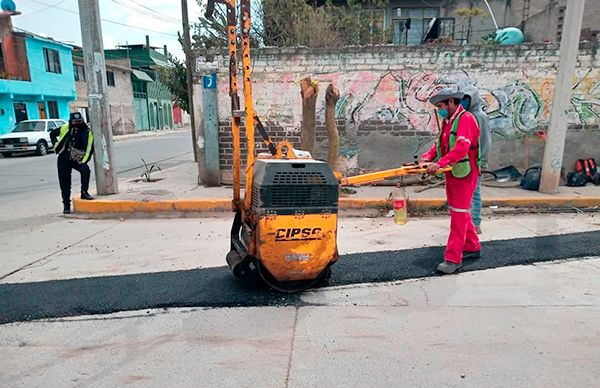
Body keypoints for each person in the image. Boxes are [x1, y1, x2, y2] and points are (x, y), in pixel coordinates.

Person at [420, 88, 481, 274]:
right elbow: (439, 145)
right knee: (459, 212)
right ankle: (472, 246)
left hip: (465, 174)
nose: (440, 110)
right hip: (453, 173)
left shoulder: (466, 120)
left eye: (441, 106)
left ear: (452, 102)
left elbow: (462, 148)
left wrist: (439, 163)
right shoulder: (448, 123)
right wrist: (427, 157)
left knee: (458, 217)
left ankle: (453, 259)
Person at [460, 85, 491, 235]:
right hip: (465, 162)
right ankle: (468, 222)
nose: (464, 102)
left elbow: (485, 141)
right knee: (467, 193)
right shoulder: (463, 116)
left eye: (467, 99)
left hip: (477, 161)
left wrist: (483, 162)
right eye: (462, 99)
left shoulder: (480, 117)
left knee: (475, 192)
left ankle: (476, 223)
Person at [50, 112, 95, 214]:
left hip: (77, 159)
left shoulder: (86, 131)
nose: (77, 123)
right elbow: (52, 134)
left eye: (79, 121)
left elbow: (89, 148)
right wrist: (56, 146)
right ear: (71, 121)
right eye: (75, 121)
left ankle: (84, 192)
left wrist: (84, 160)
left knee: (85, 170)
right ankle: (66, 205)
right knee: (64, 182)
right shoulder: (65, 127)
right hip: (63, 158)